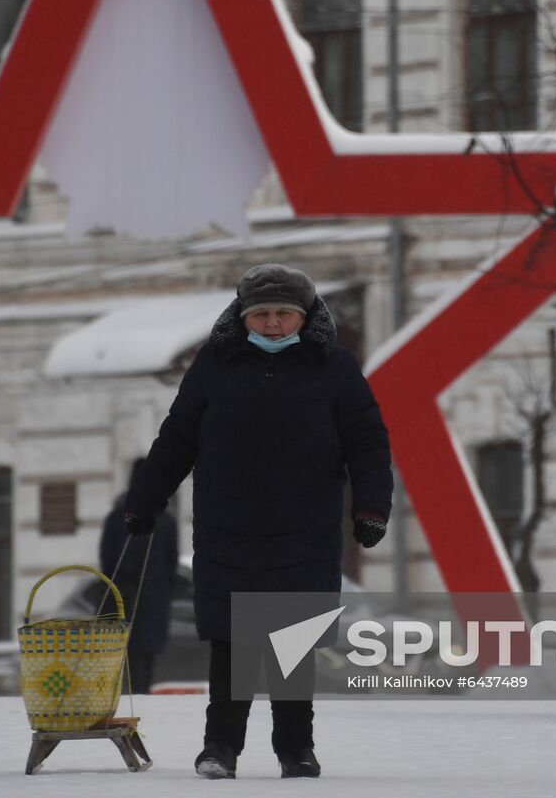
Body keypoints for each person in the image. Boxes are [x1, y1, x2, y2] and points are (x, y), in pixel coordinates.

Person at [122, 263, 393, 779]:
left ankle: (296, 750)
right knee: (233, 641)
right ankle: (220, 748)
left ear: (304, 317)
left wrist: (372, 509)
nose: (272, 324)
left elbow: (367, 441)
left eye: (283, 314)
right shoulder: (215, 365)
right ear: (243, 317)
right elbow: (177, 438)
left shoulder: (333, 367)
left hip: (304, 529)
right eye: (261, 314)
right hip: (230, 527)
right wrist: (144, 503)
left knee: (294, 643)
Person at [99, 475, 178, 695]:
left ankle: (127, 694)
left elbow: (107, 561)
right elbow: (171, 563)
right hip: (152, 597)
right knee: (144, 657)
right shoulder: (165, 521)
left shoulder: (117, 518)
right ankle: (141, 692)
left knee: (124, 652)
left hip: (124, 596)